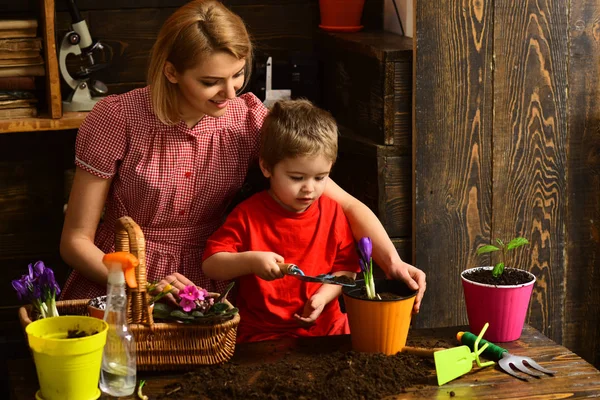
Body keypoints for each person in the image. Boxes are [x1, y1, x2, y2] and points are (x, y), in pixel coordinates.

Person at [59, 0, 426, 314]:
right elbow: (75, 242)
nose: (229, 92)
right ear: (171, 71)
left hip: (210, 280)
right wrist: (139, 281)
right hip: (121, 278)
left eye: (237, 75)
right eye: (210, 82)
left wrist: (391, 262)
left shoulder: (248, 118)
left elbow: (344, 202)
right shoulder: (117, 118)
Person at [202, 99, 360, 342]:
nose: (309, 189)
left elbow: (346, 270)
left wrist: (322, 298)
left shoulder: (333, 212)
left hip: (327, 329)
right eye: (297, 177)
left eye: (321, 178)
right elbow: (211, 264)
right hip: (263, 335)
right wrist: (250, 261)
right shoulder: (248, 215)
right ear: (266, 167)